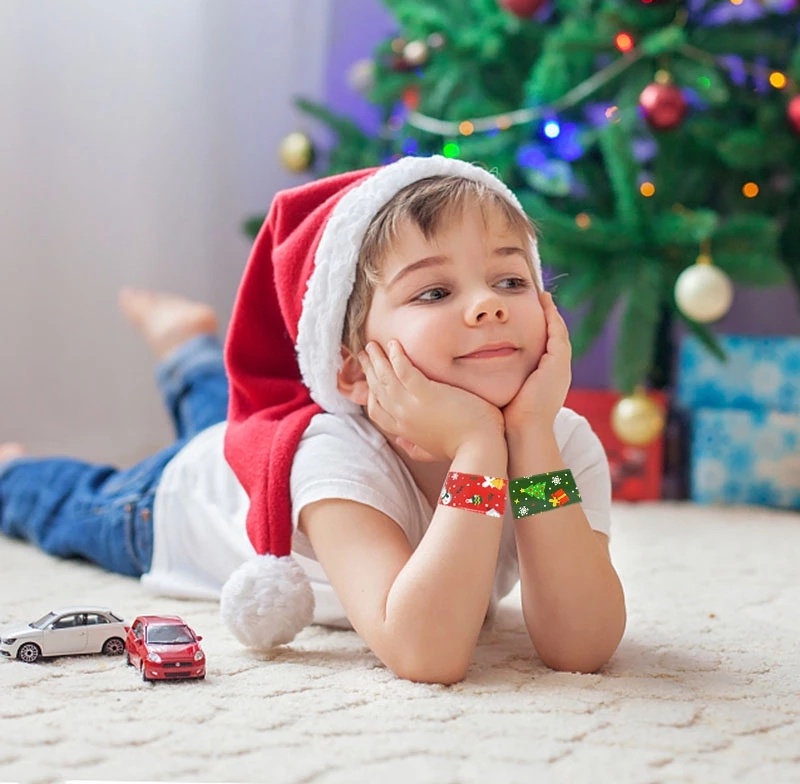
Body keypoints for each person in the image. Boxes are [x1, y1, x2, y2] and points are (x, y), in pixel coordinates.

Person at [0, 155, 626, 684]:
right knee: (73, 506)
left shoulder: (556, 439)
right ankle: (14, 468)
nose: (489, 305)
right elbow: (426, 651)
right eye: (435, 292)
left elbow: (581, 647)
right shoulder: (334, 453)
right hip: (180, 499)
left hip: (267, 450)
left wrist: (527, 438)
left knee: (217, 411)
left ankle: (187, 351)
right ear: (350, 370)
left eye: (511, 279)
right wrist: (478, 449)